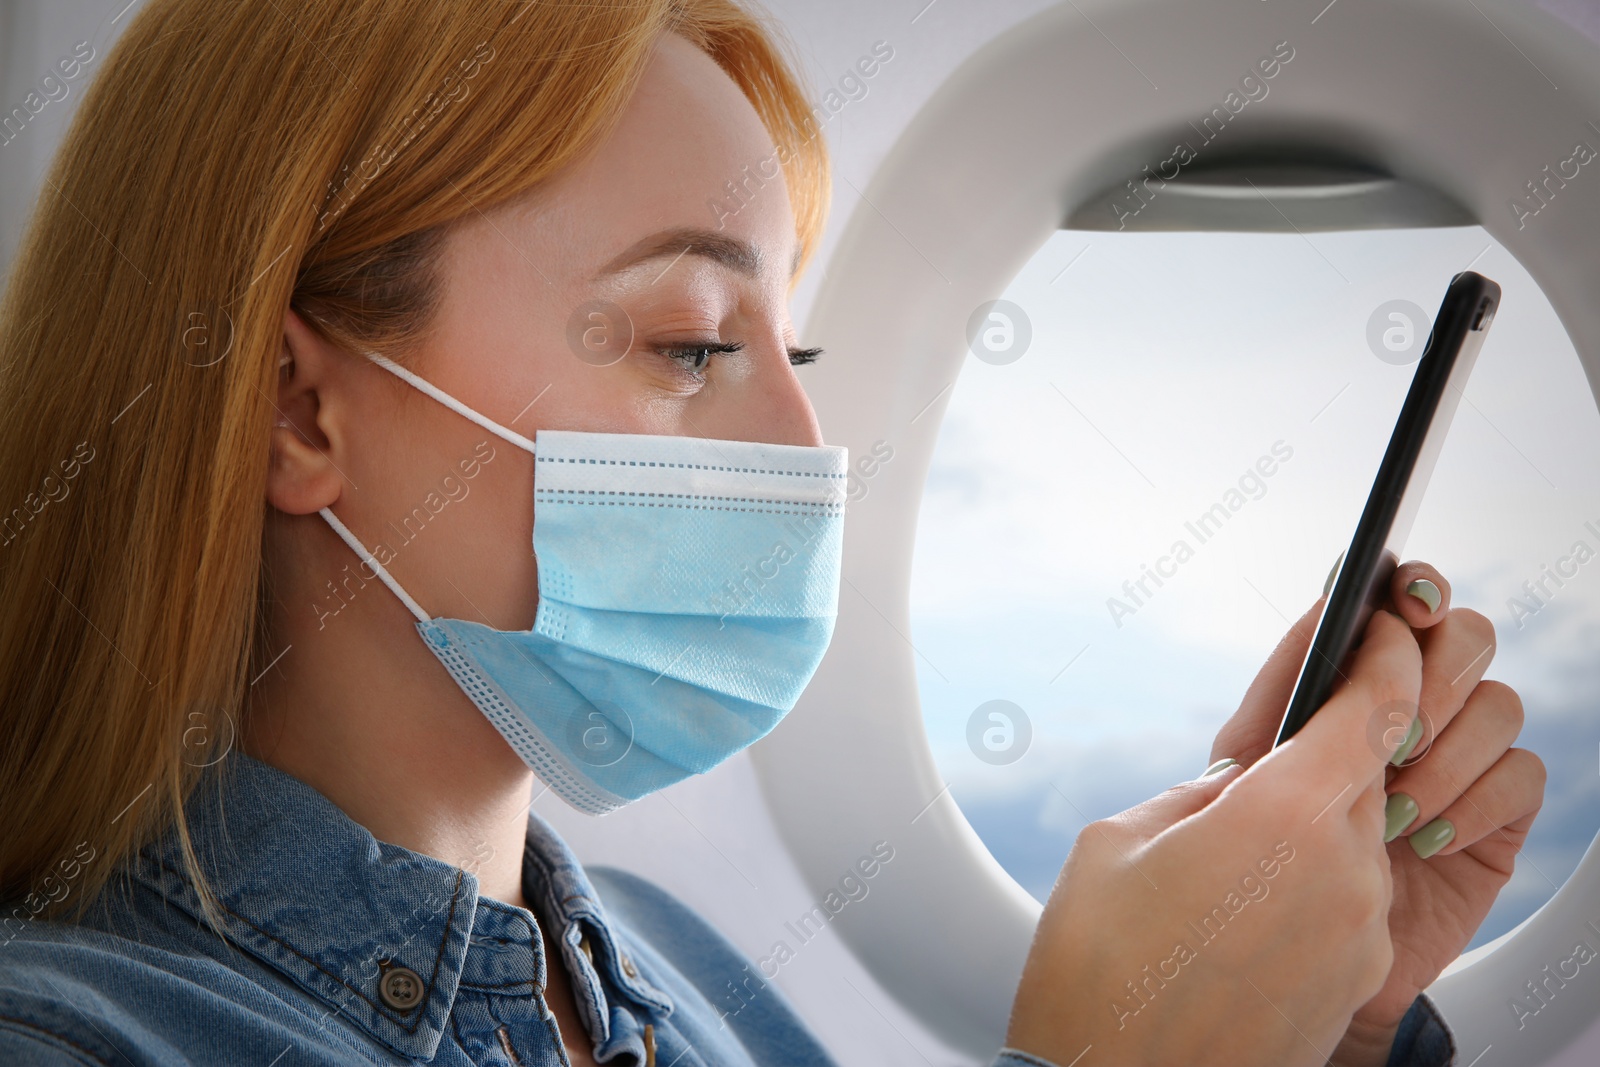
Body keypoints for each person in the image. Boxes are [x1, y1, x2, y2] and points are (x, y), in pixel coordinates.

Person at [0, 2, 1544, 1065]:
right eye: (687, 343)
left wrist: (1314, 1018)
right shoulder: (74, 1036)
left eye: (789, 358)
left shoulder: (671, 978)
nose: (806, 453)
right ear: (295, 412)